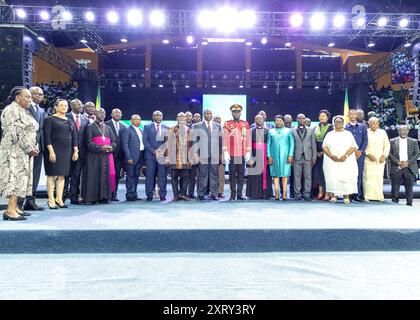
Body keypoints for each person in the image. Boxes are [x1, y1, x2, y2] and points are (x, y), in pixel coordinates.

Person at [0, 87, 39, 221]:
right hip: (14, 151)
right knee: (15, 178)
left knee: (23, 179)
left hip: (23, 151)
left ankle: (15, 207)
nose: (30, 99)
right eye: (27, 97)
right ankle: (9, 210)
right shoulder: (11, 109)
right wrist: (29, 148)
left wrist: (34, 146)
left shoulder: (22, 110)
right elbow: (15, 131)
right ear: (17, 98)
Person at [44, 99, 78, 209]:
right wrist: (51, 151)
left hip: (66, 151)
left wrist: (75, 151)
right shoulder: (49, 119)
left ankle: (59, 199)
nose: (64, 107)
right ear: (56, 107)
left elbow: (74, 137)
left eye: (66, 105)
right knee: (51, 175)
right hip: (53, 150)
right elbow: (47, 136)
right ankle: (51, 200)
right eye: (61, 105)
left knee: (62, 176)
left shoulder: (70, 120)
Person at [82, 108, 117, 204]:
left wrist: (111, 147)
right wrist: (101, 148)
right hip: (94, 156)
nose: (103, 114)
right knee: (94, 175)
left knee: (106, 175)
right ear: (95, 114)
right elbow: (88, 142)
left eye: (104, 113)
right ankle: (93, 197)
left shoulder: (108, 128)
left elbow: (114, 141)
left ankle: (105, 197)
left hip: (107, 155)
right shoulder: (90, 126)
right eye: (100, 112)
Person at [322, 116, 358, 204]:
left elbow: (353, 146)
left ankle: (346, 196)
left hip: (346, 160)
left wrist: (345, 155)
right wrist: (331, 156)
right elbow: (324, 146)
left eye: (340, 122)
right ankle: (334, 195)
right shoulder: (329, 134)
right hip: (332, 160)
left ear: (343, 123)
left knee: (345, 177)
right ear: (334, 123)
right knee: (333, 177)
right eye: (336, 122)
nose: (338, 123)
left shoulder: (348, 134)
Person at [21, 86, 46, 211]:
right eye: (37, 94)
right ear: (30, 95)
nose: (40, 96)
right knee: (23, 175)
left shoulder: (41, 111)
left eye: (41, 94)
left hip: (38, 147)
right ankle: (19, 203)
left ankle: (31, 202)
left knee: (35, 175)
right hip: (25, 147)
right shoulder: (24, 108)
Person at [223, 104, 251, 201]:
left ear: (240, 113)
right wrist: (225, 151)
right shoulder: (227, 124)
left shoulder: (245, 124)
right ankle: (232, 194)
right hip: (232, 154)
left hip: (242, 154)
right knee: (231, 175)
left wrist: (248, 151)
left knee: (241, 175)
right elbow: (225, 139)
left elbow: (248, 139)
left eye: (238, 112)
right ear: (232, 113)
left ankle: (239, 194)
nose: (236, 113)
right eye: (234, 112)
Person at [193, 109, 221, 201]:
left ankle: (214, 193)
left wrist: (221, 154)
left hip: (215, 154)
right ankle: (201, 193)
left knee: (214, 175)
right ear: (204, 114)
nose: (209, 115)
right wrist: (195, 154)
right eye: (207, 113)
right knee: (202, 175)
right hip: (202, 154)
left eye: (210, 113)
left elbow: (220, 141)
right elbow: (194, 141)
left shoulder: (218, 126)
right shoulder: (197, 126)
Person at [388, 125, 420, 206]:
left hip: (409, 167)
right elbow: (389, 154)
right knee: (395, 187)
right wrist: (398, 162)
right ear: (398, 131)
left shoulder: (414, 141)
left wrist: (407, 162)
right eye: (401, 130)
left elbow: (417, 154)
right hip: (396, 167)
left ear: (408, 131)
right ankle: (394, 203)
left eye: (405, 130)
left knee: (409, 187)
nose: (403, 132)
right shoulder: (392, 141)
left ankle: (409, 203)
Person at [65, 99, 89, 204]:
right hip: (66, 151)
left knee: (76, 175)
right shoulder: (65, 117)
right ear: (71, 105)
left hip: (81, 152)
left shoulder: (85, 118)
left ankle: (74, 197)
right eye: (78, 104)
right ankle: (61, 198)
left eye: (81, 103)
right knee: (65, 175)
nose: (81, 105)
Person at [165, 112, 193, 201]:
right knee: (174, 177)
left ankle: (183, 194)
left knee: (185, 177)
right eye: (180, 116)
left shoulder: (189, 130)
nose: (181, 118)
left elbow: (192, 145)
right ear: (177, 118)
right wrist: (167, 157)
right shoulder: (171, 129)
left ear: (185, 119)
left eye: (183, 116)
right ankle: (176, 195)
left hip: (186, 158)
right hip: (174, 157)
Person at [143, 110, 169, 201]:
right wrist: (154, 151)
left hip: (162, 156)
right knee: (150, 176)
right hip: (151, 156)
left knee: (162, 176)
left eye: (160, 115)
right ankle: (149, 195)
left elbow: (167, 142)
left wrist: (162, 151)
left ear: (162, 117)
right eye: (156, 115)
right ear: (153, 117)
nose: (158, 117)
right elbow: (145, 142)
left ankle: (162, 195)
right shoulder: (147, 127)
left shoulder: (166, 127)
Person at [267, 115, 294, 200]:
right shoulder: (271, 131)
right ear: (274, 122)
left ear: (283, 122)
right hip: (274, 156)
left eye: (280, 121)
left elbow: (292, 144)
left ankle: (285, 194)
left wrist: (290, 155)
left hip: (285, 156)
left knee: (285, 175)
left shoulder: (288, 131)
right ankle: (277, 194)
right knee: (275, 176)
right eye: (277, 121)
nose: (278, 122)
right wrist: (269, 156)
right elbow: (268, 144)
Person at [363, 117, 390, 202]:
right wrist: (368, 154)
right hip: (368, 159)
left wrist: (384, 155)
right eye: (372, 123)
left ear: (378, 124)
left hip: (380, 160)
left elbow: (387, 145)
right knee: (367, 178)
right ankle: (367, 196)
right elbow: (362, 145)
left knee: (378, 179)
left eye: (376, 123)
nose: (374, 124)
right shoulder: (365, 132)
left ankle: (379, 196)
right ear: (369, 123)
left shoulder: (383, 132)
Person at [246, 115, 273, 200]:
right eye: (257, 118)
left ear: (263, 120)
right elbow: (248, 145)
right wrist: (249, 158)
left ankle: (265, 194)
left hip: (265, 155)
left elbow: (270, 145)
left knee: (265, 175)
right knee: (254, 174)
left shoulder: (268, 131)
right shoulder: (250, 131)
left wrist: (269, 157)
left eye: (260, 118)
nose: (259, 120)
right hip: (254, 154)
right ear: (254, 120)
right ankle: (254, 194)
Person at [291, 113, 317, 201]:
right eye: (299, 118)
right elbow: (291, 144)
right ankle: (297, 194)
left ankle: (307, 194)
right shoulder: (292, 130)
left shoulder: (311, 130)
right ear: (296, 120)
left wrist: (314, 157)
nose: (301, 120)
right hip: (296, 156)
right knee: (296, 177)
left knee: (308, 176)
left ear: (305, 120)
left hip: (308, 157)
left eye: (303, 118)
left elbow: (313, 144)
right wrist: (291, 156)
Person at [345, 109, 368, 202]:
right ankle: (349, 194)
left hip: (360, 155)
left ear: (356, 116)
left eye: (355, 114)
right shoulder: (345, 127)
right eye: (351, 114)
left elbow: (365, 140)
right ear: (348, 115)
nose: (353, 116)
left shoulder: (362, 127)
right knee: (349, 174)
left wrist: (360, 151)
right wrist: (350, 152)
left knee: (358, 174)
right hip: (349, 155)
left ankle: (357, 194)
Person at [121, 114, 145, 202]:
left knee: (136, 176)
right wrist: (128, 157)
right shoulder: (127, 129)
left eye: (139, 119)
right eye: (136, 119)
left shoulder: (141, 130)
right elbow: (125, 144)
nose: (138, 121)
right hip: (131, 157)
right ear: (131, 120)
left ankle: (134, 194)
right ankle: (129, 195)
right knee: (130, 176)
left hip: (140, 156)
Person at [105, 108, 127, 201]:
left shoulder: (123, 126)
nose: (118, 114)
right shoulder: (106, 124)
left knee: (116, 176)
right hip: (107, 155)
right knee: (106, 175)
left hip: (119, 156)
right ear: (111, 114)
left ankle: (114, 194)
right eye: (116, 112)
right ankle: (106, 195)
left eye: (119, 113)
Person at [312, 110, 333, 200]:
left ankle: (328, 194)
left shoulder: (331, 127)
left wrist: (324, 152)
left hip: (328, 153)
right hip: (317, 154)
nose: (322, 117)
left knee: (327, 174)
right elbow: (312, 141)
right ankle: (320, 193)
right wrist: (316, 152)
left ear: (328, 117)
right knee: (318, 174)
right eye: (320, 116)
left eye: (324, 116)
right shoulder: (315, 127)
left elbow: (332, 142)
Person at [188, 113, 202, 198]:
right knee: (192, 176)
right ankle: (191, 193)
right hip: (193, 155)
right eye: (195, 116)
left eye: (198, 117)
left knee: (201, 176)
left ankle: (200, 193)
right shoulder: (192, 128)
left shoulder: (203, 127)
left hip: (202, 155)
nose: (196, 118)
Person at [213, 115, 225, 198]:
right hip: (212, 156)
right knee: (213, 175)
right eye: (216, 118)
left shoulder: (224, 130)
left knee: (221, 175)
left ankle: (220, 192)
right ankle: (213, 191)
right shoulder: (210, 130)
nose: (217, 120)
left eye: (219, 118)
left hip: (222, 155)